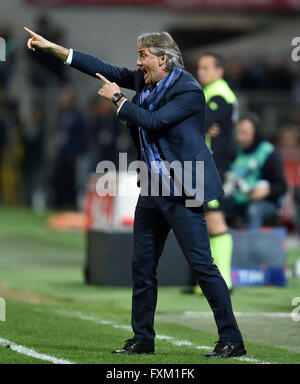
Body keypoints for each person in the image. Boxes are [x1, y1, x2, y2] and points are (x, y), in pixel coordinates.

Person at [25, 27, 246, 358]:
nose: (137, 62)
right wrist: (53, 48)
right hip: (153, 187)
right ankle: (143, 338)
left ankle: (232, 339)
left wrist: (118, 99)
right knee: (142, 267)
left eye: (143, 55)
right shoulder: (147, 80)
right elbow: (100, 66)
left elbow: (154, 122)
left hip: (184, 188)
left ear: (162, 57)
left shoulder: (188, 90)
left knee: (202, 266)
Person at [192, 53, 238, 293]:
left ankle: (224, 281)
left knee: (216, 221)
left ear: (220, 71)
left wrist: (198, 122)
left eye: (207, 67)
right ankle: (210, 282)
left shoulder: (219, 94)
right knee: (208, 222)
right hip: (208, 166)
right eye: (199, 67)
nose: (201, 72)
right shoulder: (212, 92)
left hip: (215, 167)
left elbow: (197, 125)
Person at [224, 113, 287, 229]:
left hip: (266, 203)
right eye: (238, 133)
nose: (240, 137)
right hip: (238, 200)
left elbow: (282, 186)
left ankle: (253, 245)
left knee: (253, 210)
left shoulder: (269, 153)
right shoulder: (235, 152)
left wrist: (266, 191)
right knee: (218, 210)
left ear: (255, 132)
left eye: (245, 133)